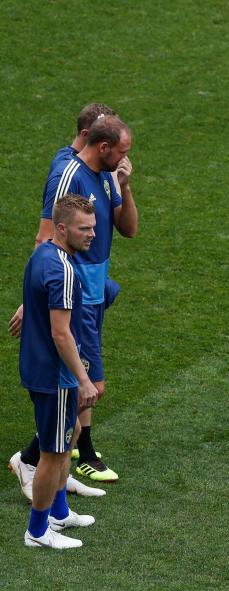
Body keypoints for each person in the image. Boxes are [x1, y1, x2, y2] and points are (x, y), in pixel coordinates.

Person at [16, 115, 137, 488]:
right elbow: (46, 237)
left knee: (80, 387)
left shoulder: (106, 174)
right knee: (89, 386)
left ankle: (60, 464)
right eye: (122, 151)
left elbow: (128, 228)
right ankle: (35, 459)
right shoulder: (70, 177)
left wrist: (125, 186)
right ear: (103, 147)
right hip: (74, 296)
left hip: (93, 292)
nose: (125, 157)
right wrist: (30, 301)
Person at [20, 194, 102, 549]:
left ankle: (59, 511)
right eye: (84, 229)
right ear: (63, 228)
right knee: (53, 454)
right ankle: (37, 531)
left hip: (43, 370)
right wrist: (83, 379)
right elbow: (60, 332)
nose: (92, 235)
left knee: (65, 442)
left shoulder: (42, 255)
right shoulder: (63, 270)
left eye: (94, 227)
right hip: (56, 378)